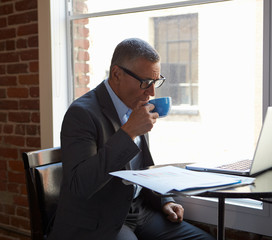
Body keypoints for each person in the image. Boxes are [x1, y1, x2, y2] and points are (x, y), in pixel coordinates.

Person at [48, 38, 215, 240]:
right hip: (99, 218)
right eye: (145, 82)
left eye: (156, 82)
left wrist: (165, 201)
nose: (152, 92)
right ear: (117, 73)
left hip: (139, 211)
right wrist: (128, 133)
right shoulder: (81, 114)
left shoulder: (136, 104)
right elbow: (80, 185)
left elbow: (142, 168)